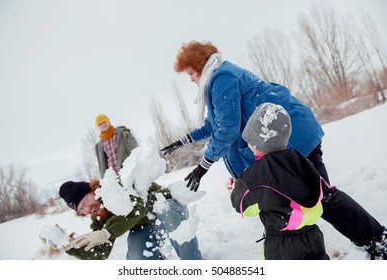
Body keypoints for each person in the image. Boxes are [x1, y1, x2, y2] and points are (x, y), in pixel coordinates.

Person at [160, 40, 386, 259]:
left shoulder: (222, 79)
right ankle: (312, 254)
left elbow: (227, 129)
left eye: (191, 73)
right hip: (282, 141)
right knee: (294, 205)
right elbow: (214, 124)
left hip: (293, 138)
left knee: (321, 197)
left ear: (200, 65)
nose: (190, 79)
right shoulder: (217, 79)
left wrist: (203, 167)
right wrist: (184, 140)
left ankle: (377, 241)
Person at [230, 102, 329, 260]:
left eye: (250, 140)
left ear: (258, 142)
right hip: (314, 236)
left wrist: (236, 189)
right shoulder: (299, 160)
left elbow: (244, 208)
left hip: (281, 246)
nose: (248, 144)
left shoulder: (255, 175)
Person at [59, 179, 203, 260]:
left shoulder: (114, 186)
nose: (87, 209)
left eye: (85, 202)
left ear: (92, 190)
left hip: (165, 207)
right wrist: (68, 246)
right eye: (81, 209)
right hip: (144, 225)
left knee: (170, 213)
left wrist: (106, 232)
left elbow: (138, 207)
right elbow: (101, 252)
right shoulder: (98, 218)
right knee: (137, 258)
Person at [95, 114, 138, 178]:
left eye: (104, 122)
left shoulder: (121, 133)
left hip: (127, 173)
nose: (103, 125)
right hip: (114, 178)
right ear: (98, 127)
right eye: (100, 124)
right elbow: (102, 165)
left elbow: (134, 151)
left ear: (108, 122)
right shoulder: (100, 145)